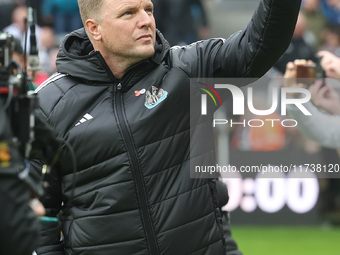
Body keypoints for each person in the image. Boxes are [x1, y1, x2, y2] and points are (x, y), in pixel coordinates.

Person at [30, 0, 301, 254]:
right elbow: (38, 210)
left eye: (148, 9)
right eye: (129, 13)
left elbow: (261, 44)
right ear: (94, 29)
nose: (145, 20)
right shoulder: (48, 104)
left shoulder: (186, 69)